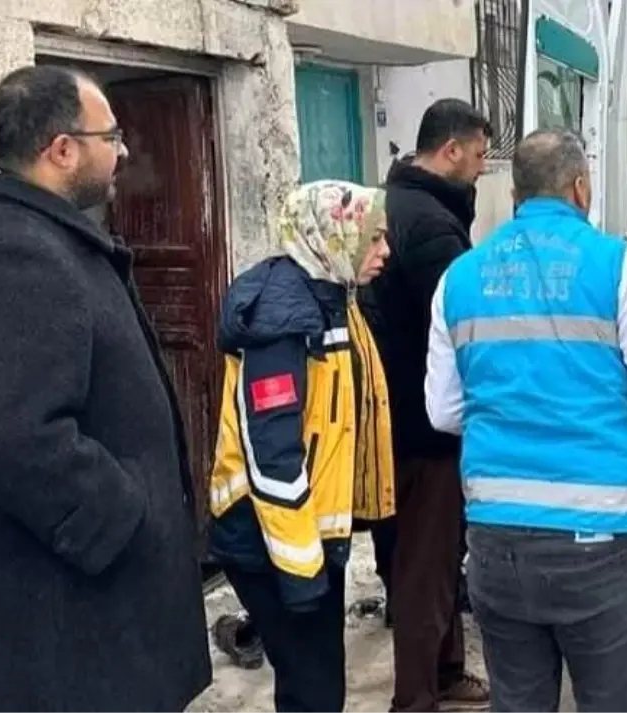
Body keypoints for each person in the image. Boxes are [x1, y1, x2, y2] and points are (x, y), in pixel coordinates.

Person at [425, 128, 627, 713]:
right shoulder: (615, 267)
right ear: (581, 188)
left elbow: (444, 411)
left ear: (515, 193)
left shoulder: (460, 278)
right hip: (595, 548)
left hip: (494, 545)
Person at [0, 65, 211, 712]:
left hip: (82, 618)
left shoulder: (40, 235)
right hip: (59, 633)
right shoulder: (13, 253)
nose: (124, 151)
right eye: (112, 135)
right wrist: (126, 516)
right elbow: (19, 441)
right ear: (62, 150)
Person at [206, 180, 396, 713]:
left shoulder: (331, 295)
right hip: (267, 539)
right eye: (373, 238)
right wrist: (301, 569)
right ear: (332, 234)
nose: (384, 252)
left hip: (303, 534)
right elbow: (273, 457)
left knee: (314, 684)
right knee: (313, 692)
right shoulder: (281, 320)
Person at [365, 98, 492, 712]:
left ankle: (444, 673)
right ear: (449, 150)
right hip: (426, 425)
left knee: (418, 560)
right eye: (477, 154)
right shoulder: (435, 227)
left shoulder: (388, 203)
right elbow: (465, 330)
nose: (482, 168)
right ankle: (415, 699)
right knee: (428, 569)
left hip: (387, 419)